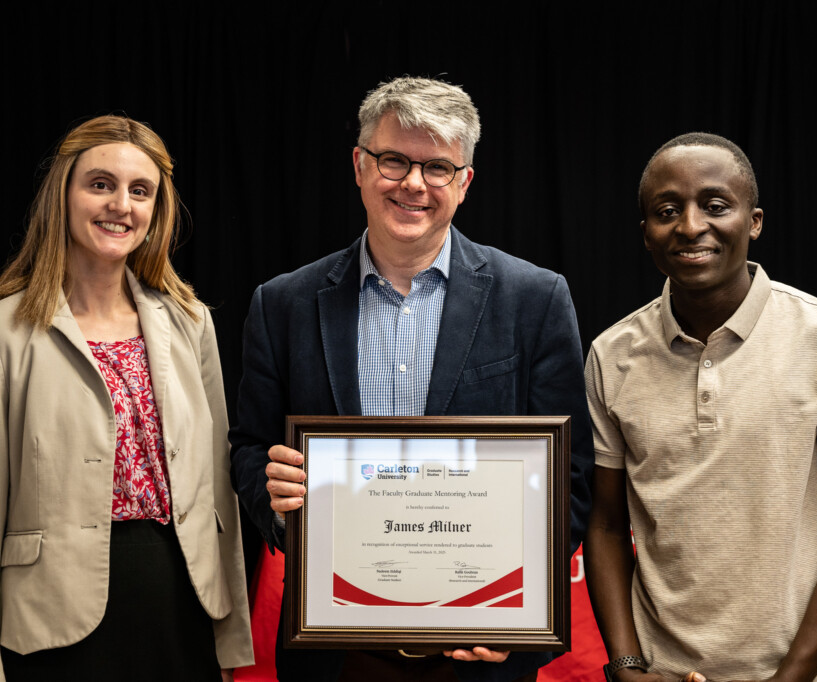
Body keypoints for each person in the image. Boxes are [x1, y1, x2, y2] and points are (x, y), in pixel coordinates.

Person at [229, 76, 594, 682]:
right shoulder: (283, 304)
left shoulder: (535, 298)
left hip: (480, 648)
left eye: (437, 168)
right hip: (335, 648)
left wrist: (519, 616)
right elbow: (247, 448)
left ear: (465, 182)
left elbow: (572, 478)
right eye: (394, 160)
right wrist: (274, 497)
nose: (413, 184)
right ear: (359, 165)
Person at [0, 115, 253, 681]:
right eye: (100, 184)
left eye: (140, 191)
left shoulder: (191, 324)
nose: (121, 204)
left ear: (155, 212)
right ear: (62, 194)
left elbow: (219, 491)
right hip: (55, 624)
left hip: (183, 607)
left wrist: (233, 640)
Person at [583, 132, 817, 682]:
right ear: (646, 235)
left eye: (716, 205)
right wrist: (627, 666)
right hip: (661, 672)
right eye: (667, 210)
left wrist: (791, 676)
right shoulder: (611, 355)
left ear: (754, 221)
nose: (691, 225)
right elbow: (605, 526)